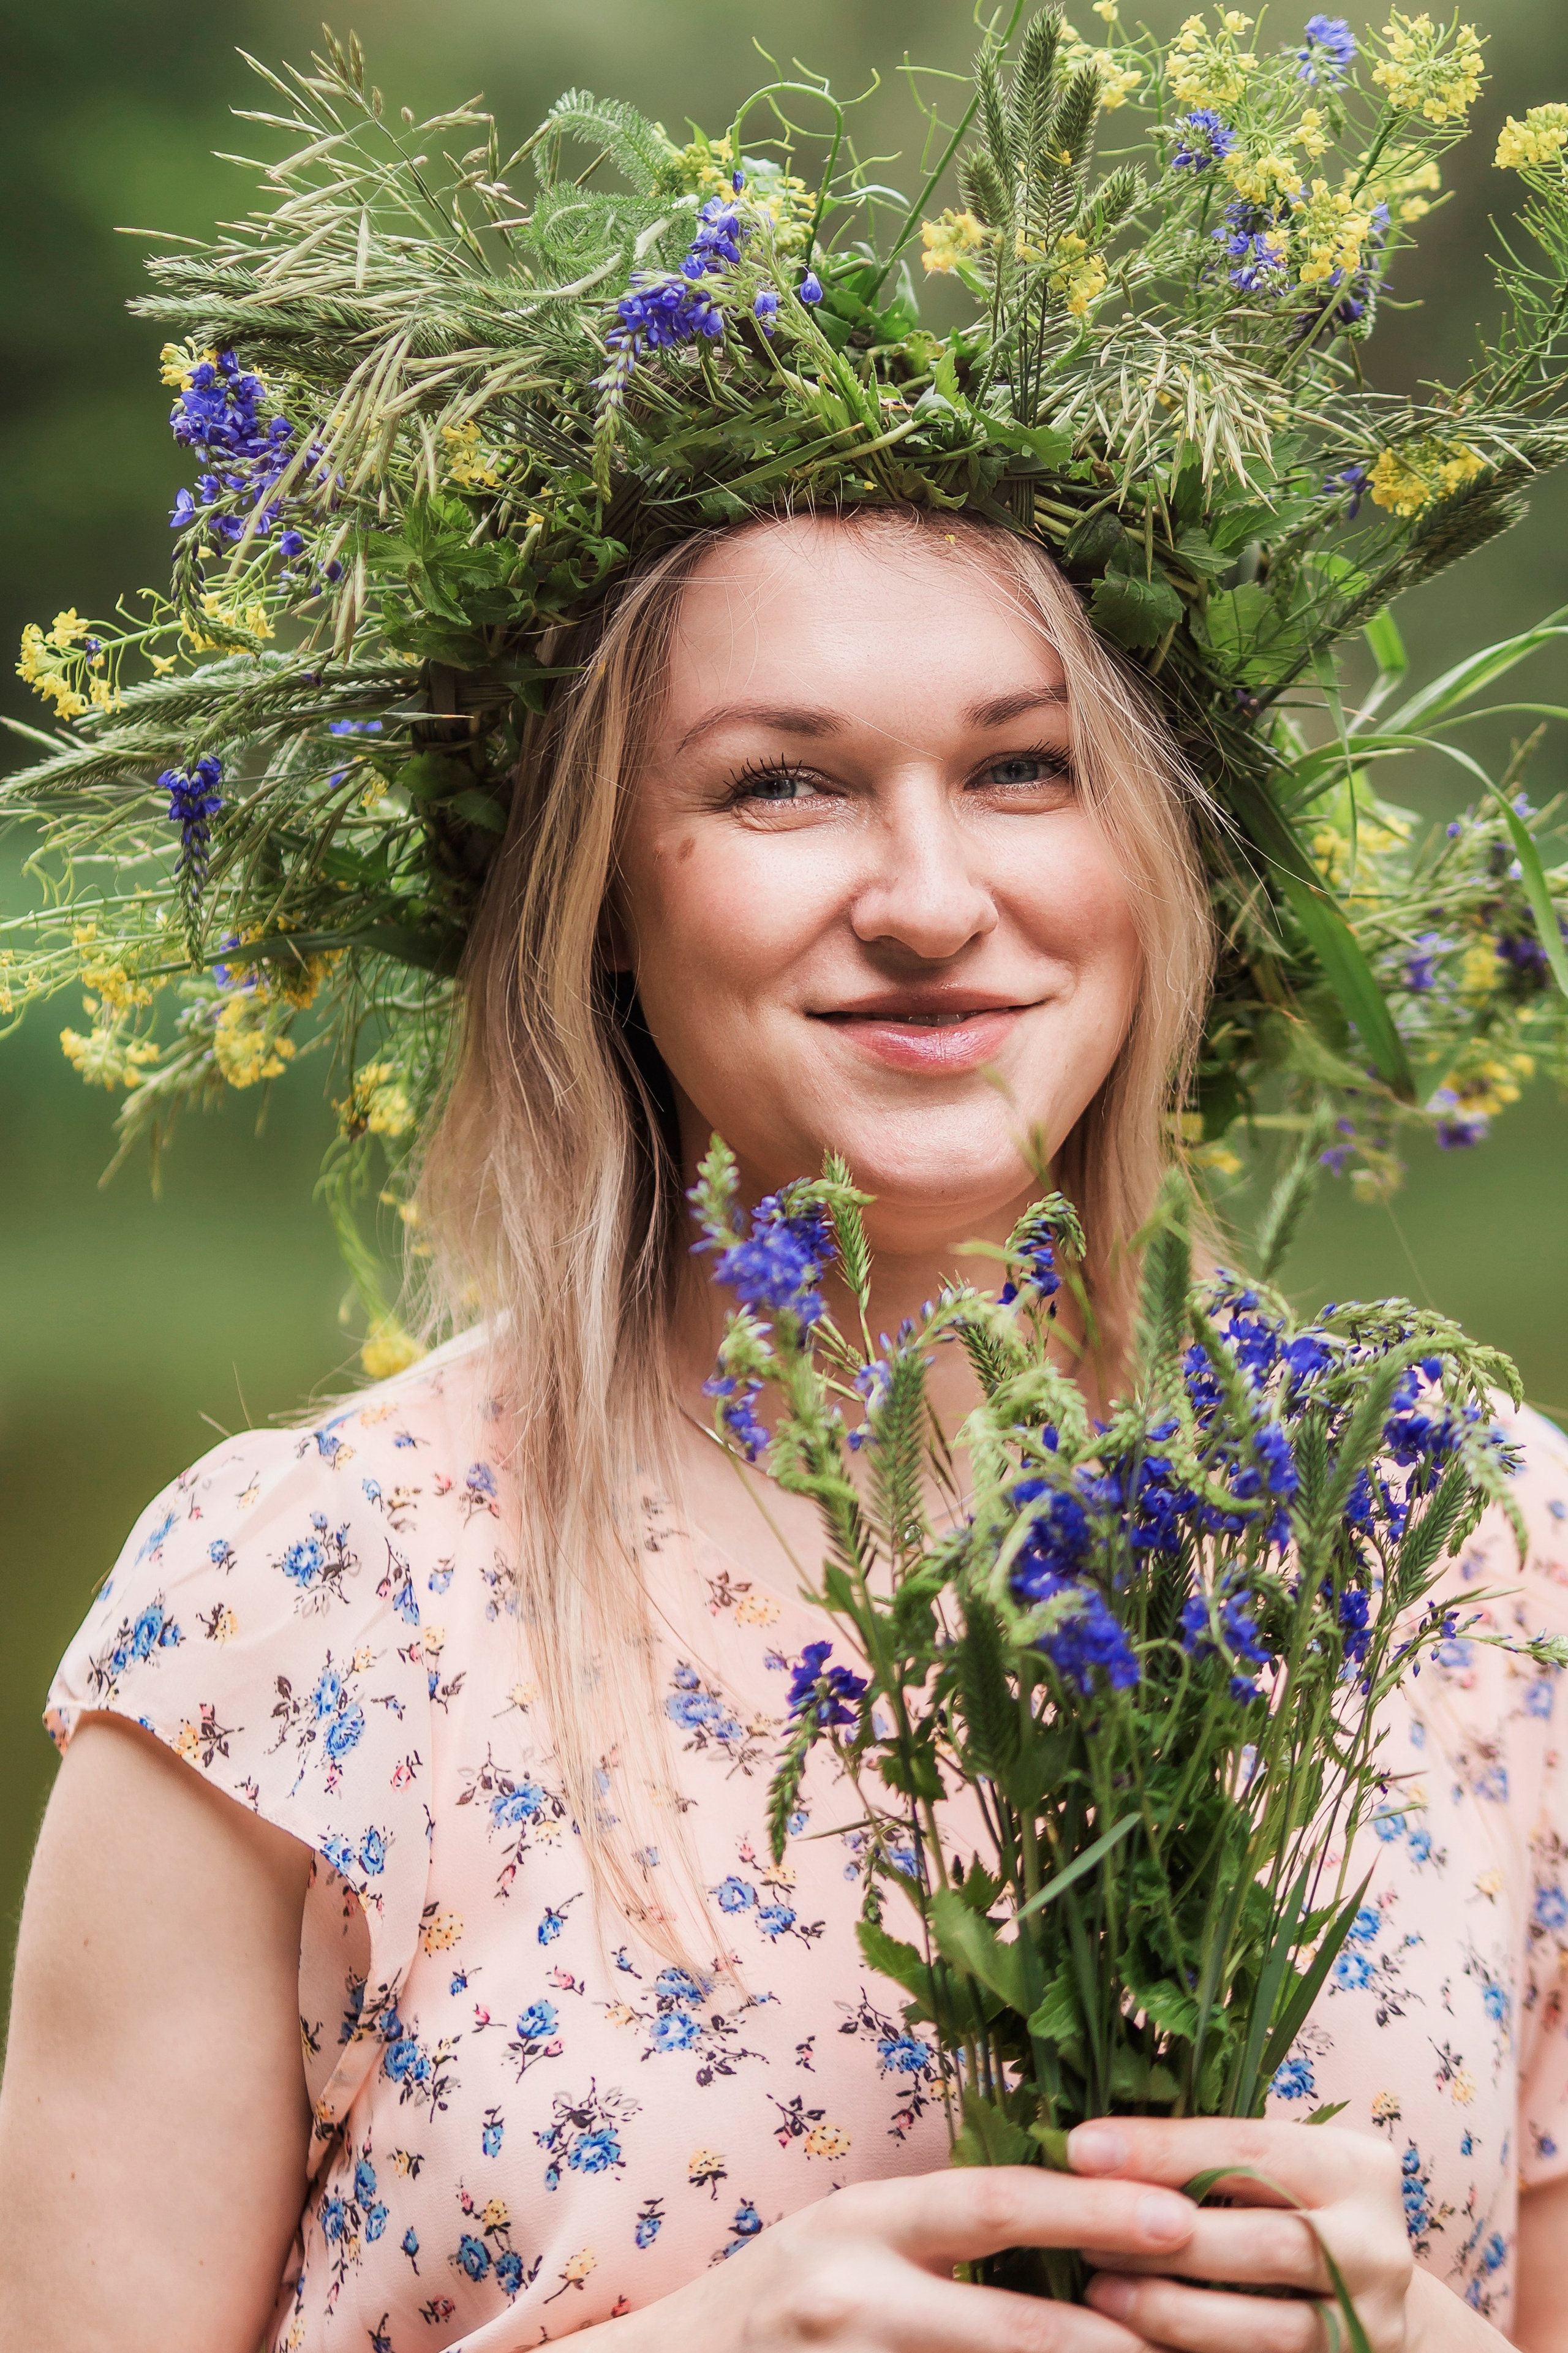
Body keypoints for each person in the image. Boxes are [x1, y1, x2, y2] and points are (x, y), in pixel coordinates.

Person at [4, 508, 1568, 2353]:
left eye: (1025, 766)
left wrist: (1412, 2342)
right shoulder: (301, 1591)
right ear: (602, 895)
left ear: (1161, 849)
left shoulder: (1479, 1546)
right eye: (782, 786)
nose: (927, 900)